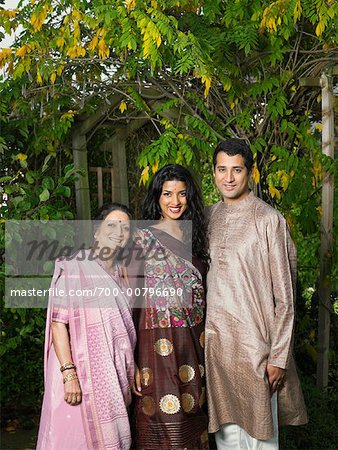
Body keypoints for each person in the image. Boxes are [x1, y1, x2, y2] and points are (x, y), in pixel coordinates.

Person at [205, 139, 308, 449]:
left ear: (250, 173)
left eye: (237, 170)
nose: (229, 178)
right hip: (218, 350)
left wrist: (278, 358)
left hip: (256, 351)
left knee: (260, 439)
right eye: (222, 170)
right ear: (213, 173)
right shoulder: (207, 217)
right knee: (226, 439)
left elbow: (285, 298)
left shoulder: (268, 220)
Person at [37, 203, 136, 450]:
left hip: (111, 379)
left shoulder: (123, 274)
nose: (118, 232)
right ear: (96, 231)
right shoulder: (75, 267)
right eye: (111, 225)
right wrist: (69, 374)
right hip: (78, 376)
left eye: (125, 227)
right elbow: (59, 324)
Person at [131, 164, 209, 449]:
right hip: (154, 348)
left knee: (192, 419)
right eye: (167, 194)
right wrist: (132, 360)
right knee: (160, 423)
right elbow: (132, 302)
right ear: (157, 197)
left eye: (182, 194)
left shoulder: (198, 237)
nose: (174, 201)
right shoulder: (141, 239)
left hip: (194, 345)